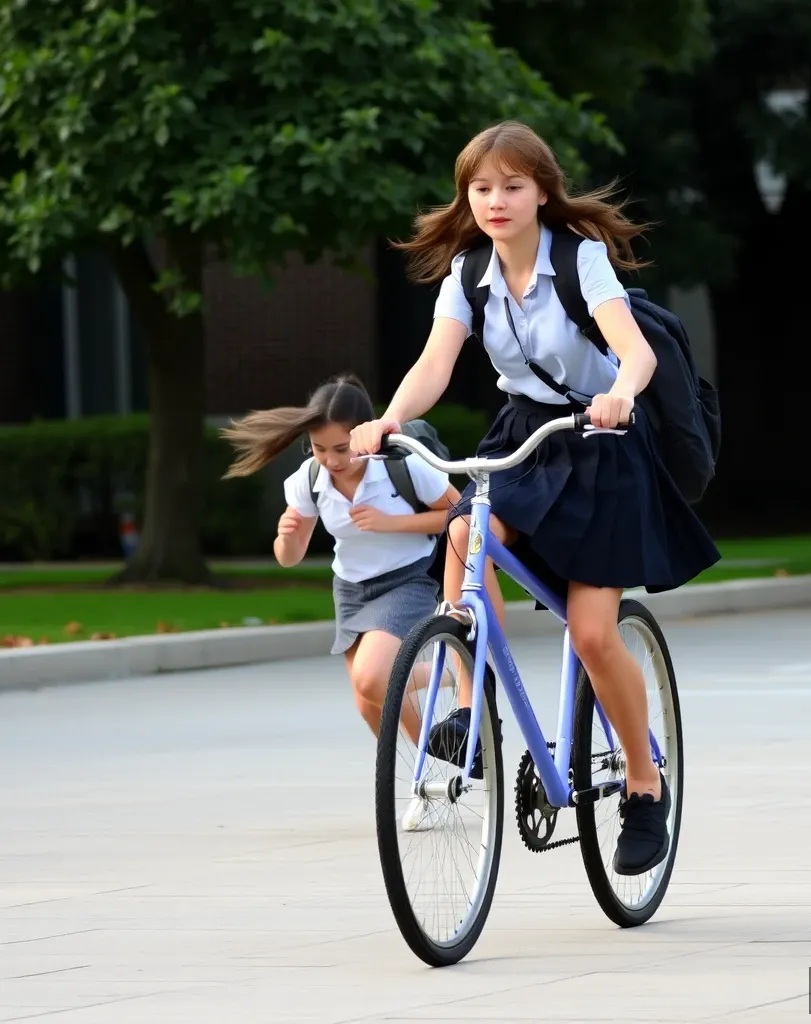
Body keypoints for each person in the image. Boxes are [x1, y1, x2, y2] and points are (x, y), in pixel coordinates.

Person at [349, 120, 721, 875]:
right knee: (464, 536)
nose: (495, 200)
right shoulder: (468, 274)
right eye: (481, 188)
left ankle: (645, 791)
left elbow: (636, 351)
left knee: (590, 634)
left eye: (512, 186)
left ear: (543, 192)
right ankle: (470, 704)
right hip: (522, 434)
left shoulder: (581, 260)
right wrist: (389, 417)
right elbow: (434, 363)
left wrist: (619, 394)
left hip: (602, 443)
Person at [220, 375, 462, 758]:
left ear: (365, 434)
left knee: (371, 679)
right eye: (319, 448)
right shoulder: (311, 479)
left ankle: (451, 674)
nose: (332, 461)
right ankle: (430, 770)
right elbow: (289, 558)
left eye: (342, 448)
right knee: (369, 703)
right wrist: (287, 537)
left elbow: (457, 515)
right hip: (351, 590)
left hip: (407, 578)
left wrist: (391, 522)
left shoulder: (401, 465)